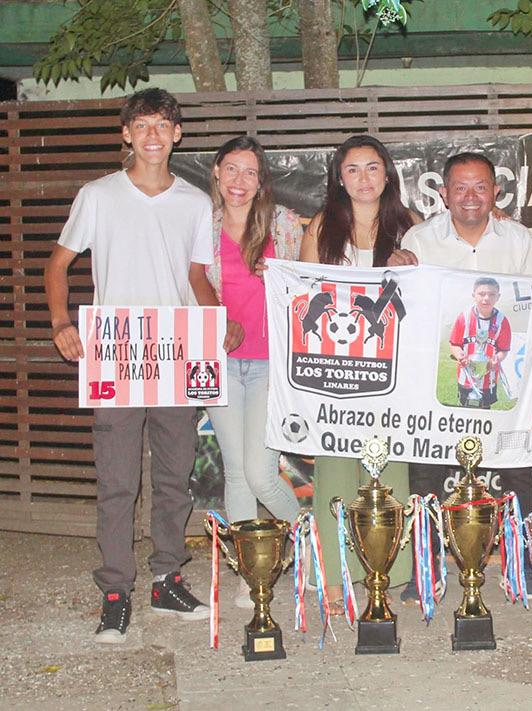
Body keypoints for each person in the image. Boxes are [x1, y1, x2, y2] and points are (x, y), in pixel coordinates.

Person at [44, 88, 219, 643]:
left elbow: (196, 277)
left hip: (175, 352)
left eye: (162, 125)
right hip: (116, 352)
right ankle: (116, 591)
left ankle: (167, 579)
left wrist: (217, 321)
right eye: (141, 125)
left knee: (174, 476)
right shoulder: (98, 195)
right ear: (126, 134)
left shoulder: (195, 202)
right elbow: (58, 265)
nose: (152, 135)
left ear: (177, 134)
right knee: (117, 481)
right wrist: (61, 323)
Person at [389, 151, 532, 594]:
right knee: (427, 470)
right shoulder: (420, 239)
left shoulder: (516, 238)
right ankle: (426, 568)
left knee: (516, 469)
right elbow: (403, 305)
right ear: (444, 194)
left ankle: (523, 564)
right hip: (440, 379)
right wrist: (396, 271)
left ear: (496, 191)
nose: (471, 196)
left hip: (502, 378)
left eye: (480, 186)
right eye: (460, 188)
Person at [300, 135, 419, 607]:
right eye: (352, 169)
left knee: (389, 469)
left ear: (387, 174)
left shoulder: (410, 225)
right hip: (334, 369)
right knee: (334, 469)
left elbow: (433, 289)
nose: (363, 178)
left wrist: (413, 262)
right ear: (339, 177)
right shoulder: (322, 225)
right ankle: (333, 574)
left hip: (392, 370)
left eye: (372, 168)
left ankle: (389, 573)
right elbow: (304, 292)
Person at [202, 136, 303, 608]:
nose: (239, 181)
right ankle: (252, 574)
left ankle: (308, 546)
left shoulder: (284, 224)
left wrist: (281, 275)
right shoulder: (201, 224)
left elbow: (312, 284)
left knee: (261, 475)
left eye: (250, 172)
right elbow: (190, 280)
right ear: (217, 172)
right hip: (219, 360)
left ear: (261, 181)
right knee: (237, 474)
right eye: (231, 169)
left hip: (270, 363)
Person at [449, 277, 512, 408]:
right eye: (481, 294)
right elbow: (454, 345)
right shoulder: (463, 317)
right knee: (464, 411)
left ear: (498, 297)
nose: (486, 298)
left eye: (491, 294)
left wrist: (496, 359)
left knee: (484, 412)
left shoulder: (502, 321)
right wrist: (460, 356)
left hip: (488, 379)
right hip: (466, 377)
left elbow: (503, 350)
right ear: (474, 295)